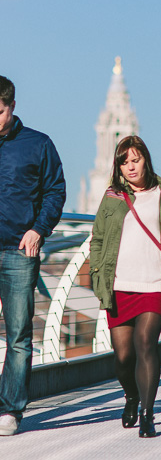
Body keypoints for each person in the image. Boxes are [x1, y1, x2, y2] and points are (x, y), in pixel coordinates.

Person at [90, 136, 161, 438]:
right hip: (119, 284)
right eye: (124, 162)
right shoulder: (112, 197)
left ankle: (148, 413)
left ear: (146, 159)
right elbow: (97, 238)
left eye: (136, 160)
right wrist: (97, 274)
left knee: (146, 343)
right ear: (118, 166)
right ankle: (131, 396)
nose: (131, 167)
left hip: (155, 284)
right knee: (123, 357)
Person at [0, 76, 66, 437]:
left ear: (11, 106)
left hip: (18, 251)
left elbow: (55, 190)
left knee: (18, 334)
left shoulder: (38, 145)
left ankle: (10, 411)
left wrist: (39, 229)